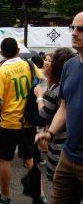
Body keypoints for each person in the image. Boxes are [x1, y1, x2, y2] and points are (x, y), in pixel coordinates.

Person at [0, 37, 46, 204]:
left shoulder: (0, 73)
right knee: (30, 159)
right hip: (28, 120)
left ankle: (5, 197)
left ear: (1, 54)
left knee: (5, 159)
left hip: (8, 122)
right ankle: (40, 195)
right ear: (18, 51)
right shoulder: (29, 65)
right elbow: (42, 83)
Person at [36, 12, 83, 204]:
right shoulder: (70, 66)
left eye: (81, 29)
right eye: (73, 27)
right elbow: (64, 106)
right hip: (68, 155)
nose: (74, 32)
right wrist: (51, 133)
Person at [34, 47, 75, 181]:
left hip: (60, 144)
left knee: (60, 182)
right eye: (45, 60)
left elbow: (44, 114)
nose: (46, 63)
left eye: (50, 61)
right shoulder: (68, 83)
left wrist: (39, 97)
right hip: (65, 140)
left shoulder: (56, 88)